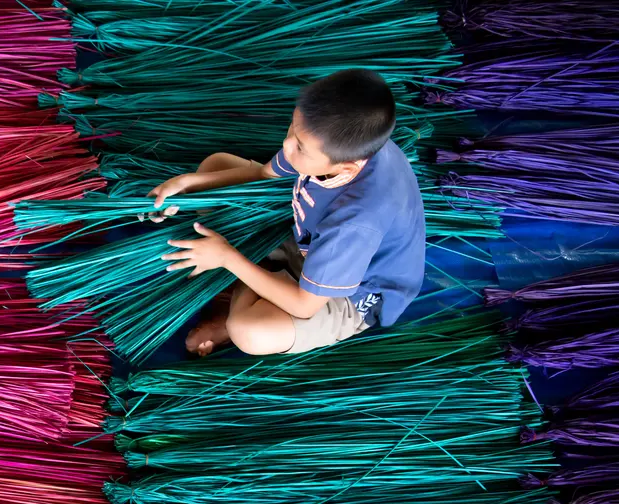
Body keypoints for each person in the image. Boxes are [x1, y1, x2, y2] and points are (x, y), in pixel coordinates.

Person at [151, 68, 426, 356]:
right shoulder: (331, 141)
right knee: (214, 166)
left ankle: (242, 295)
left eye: (300, 147)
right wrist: (187, 183)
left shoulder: (354, 222)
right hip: (306, 238)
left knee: (250, 332)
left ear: (345, 169)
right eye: (292, 128)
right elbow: (264, 172)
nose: (286, 145)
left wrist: (228, 258)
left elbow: (304, 305)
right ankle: (255, 280)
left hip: (348, 292)